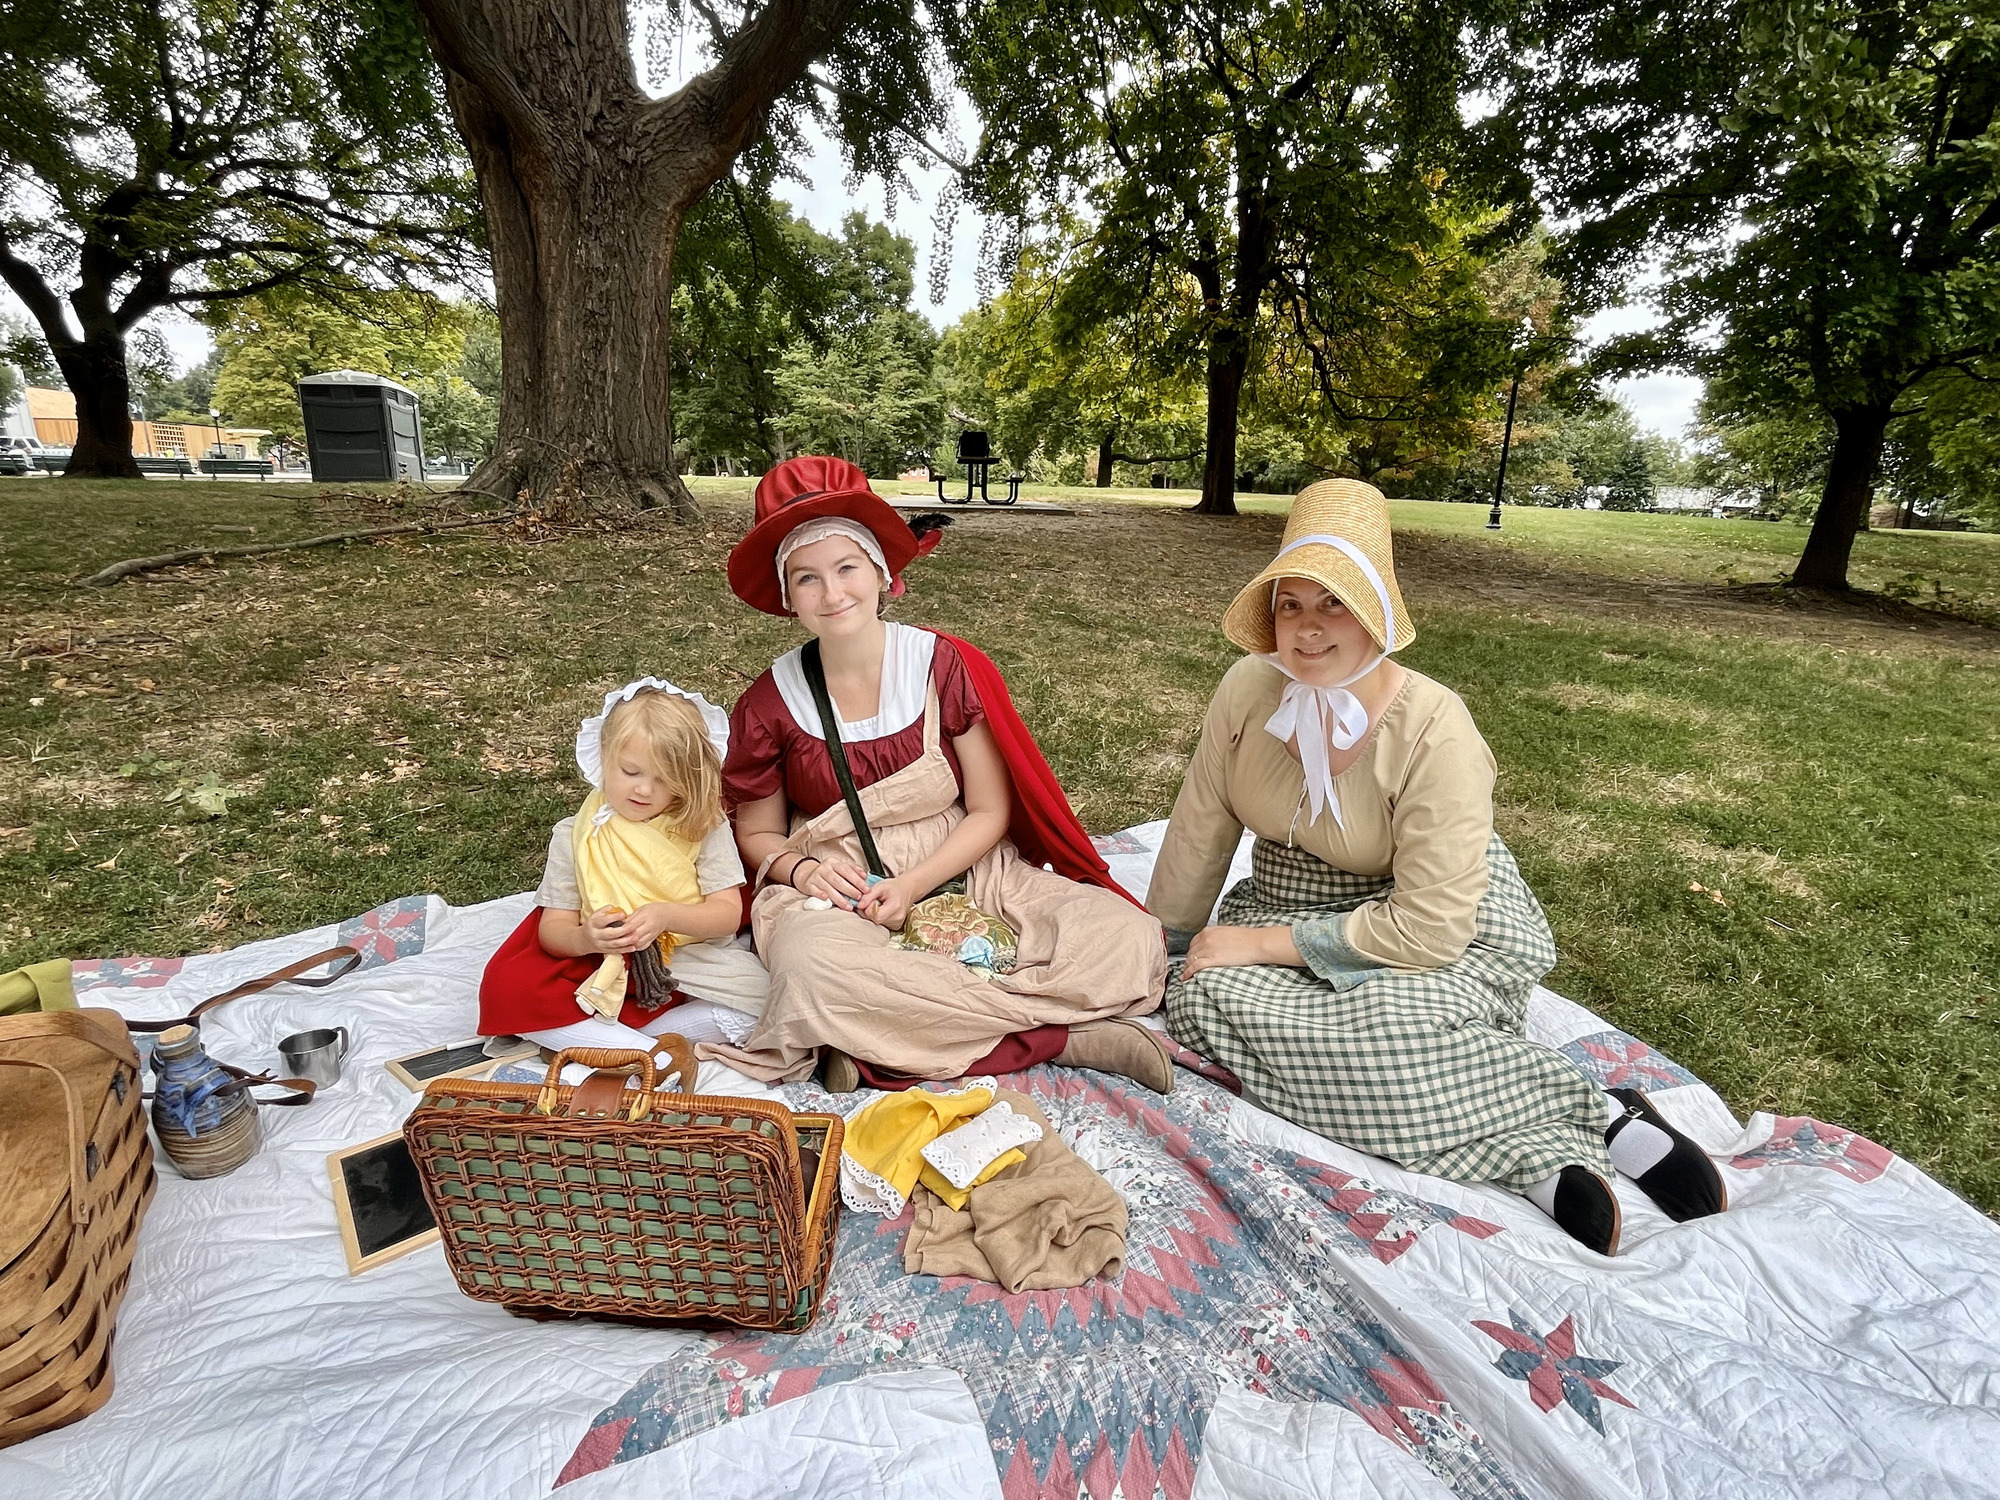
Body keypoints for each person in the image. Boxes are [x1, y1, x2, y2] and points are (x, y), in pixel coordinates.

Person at [1146, 478, 1724, 1255]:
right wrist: (1169, 943)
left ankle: (1594, 1112)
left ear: (1376, 613)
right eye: (1291, 604)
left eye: (1335, 604)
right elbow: (1201, 824)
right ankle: (1526, 1144)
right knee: (1202, 997)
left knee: (1390, 1030)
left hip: (1431, 922)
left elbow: (1429, 925)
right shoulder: (1247, 688)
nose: (1307, 629)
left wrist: (1257, 944)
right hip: (1287, 897)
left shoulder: (1435, 728)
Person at [707, 455, 1172, 1094]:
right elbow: (757, 834)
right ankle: (1063, 1037)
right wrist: (801, 870)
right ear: (787, 596)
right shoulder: (771, 700)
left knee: (1127, 937)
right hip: (842, 888)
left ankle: (882, 1044)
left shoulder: (939, 664)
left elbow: (990, 811)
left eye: (847, 568)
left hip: (966, 867)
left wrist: (914, 884)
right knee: (814, 970)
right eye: (807, 578)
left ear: (881, 571)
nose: (833, 593)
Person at [477, 678, 769, 1061]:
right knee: (507, 987)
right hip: (598, 961)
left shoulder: (703, 825)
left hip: (685, 960)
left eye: (665, 779)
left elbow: (727, 914)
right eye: (631, 772)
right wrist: (587, 938)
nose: (644, 790)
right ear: (604, 756)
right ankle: (650, 1056)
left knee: (765, 1002)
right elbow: (553, 930)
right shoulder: (576, 834)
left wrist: (666, 916)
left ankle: (605, 1045)